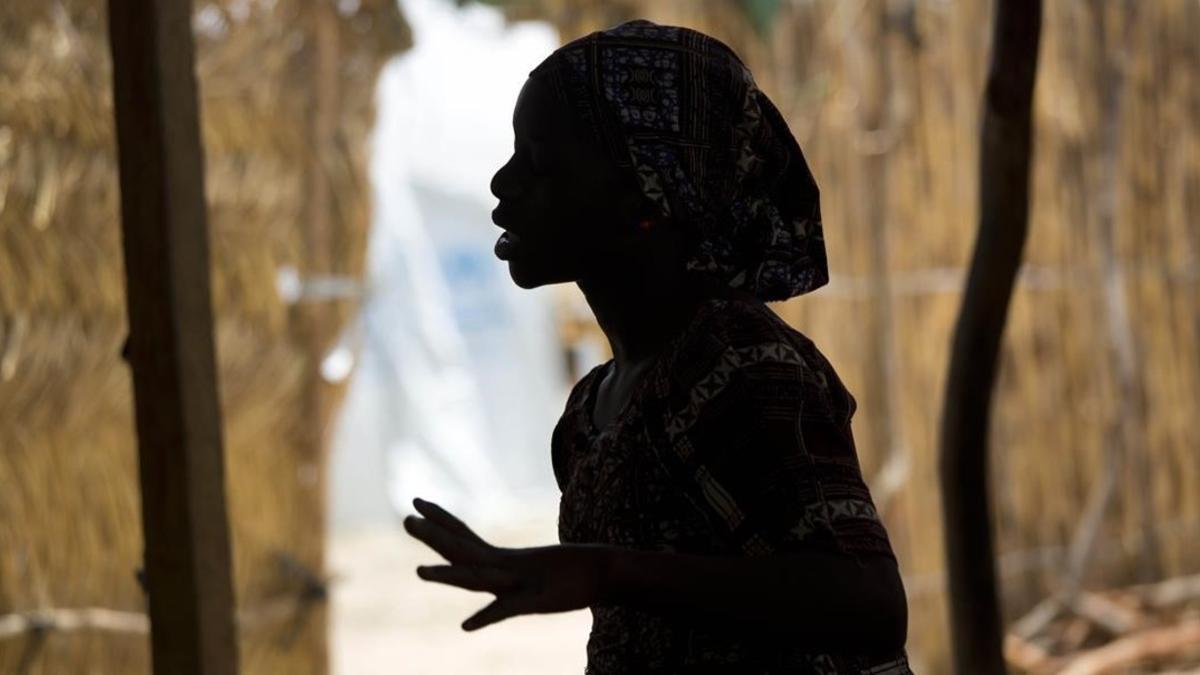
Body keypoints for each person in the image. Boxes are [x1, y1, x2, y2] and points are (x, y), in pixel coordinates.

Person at [403, 19, 912, 673]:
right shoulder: (594, 409)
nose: (504, 183)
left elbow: (869, 605)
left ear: (647, 191)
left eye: (541, 161)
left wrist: (609, 570)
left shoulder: (741, 363)